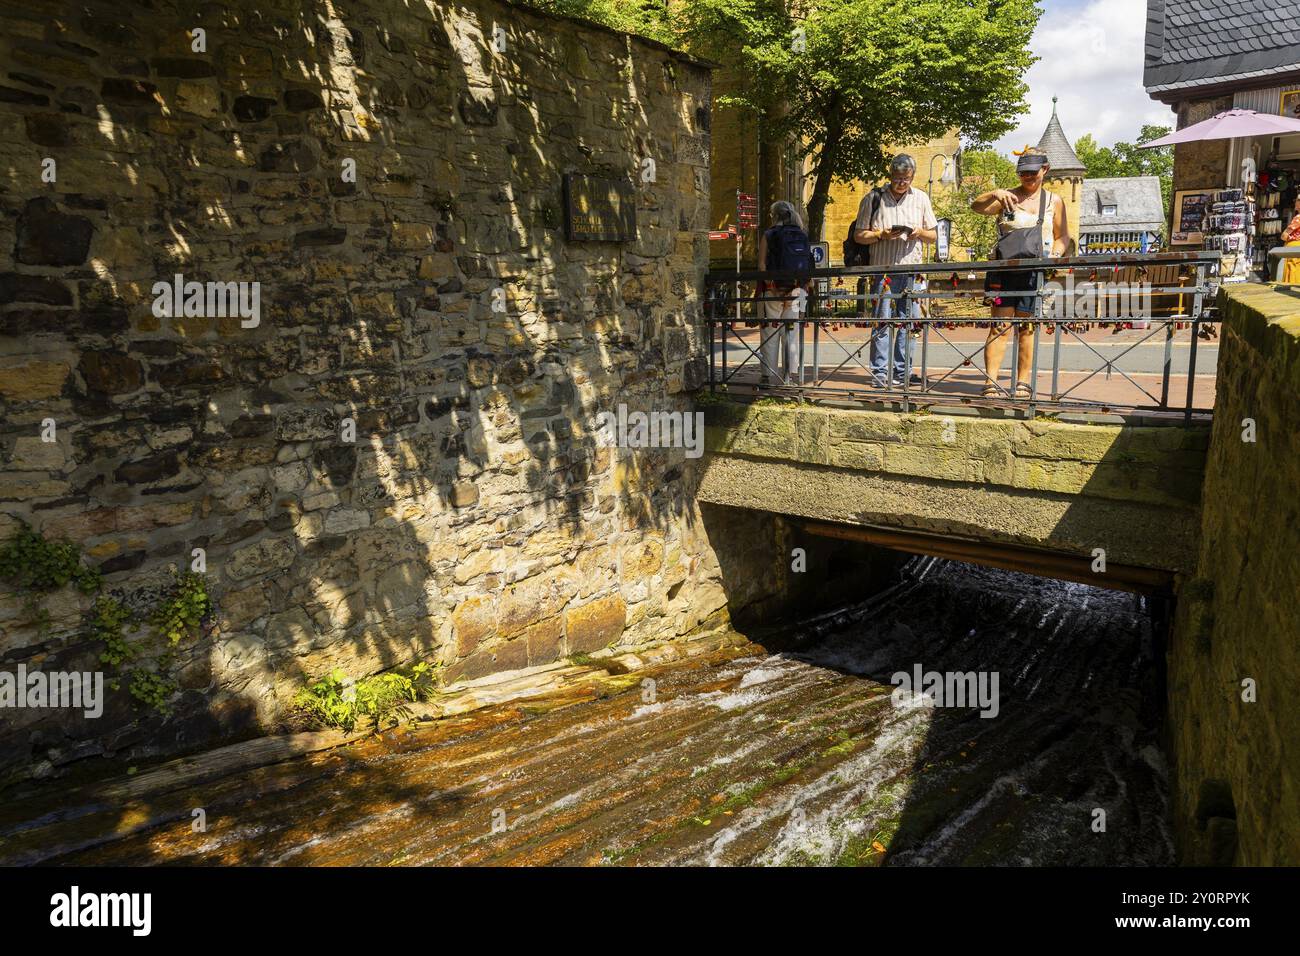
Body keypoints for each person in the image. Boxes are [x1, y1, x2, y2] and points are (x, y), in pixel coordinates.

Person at [969, 147, 1070, 398]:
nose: (1027, 177)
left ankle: (1022, 382)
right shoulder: (1007, 198)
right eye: (1023, 173)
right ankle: (990, 382)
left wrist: (1055, 256)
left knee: (1026, 327)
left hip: (1034, 272)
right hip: (1004, 271)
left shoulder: (1053, 201)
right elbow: (976, 207)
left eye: (1032, 173)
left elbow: (1063, 235)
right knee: (999, 326)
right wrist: (994, 192)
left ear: (1044, 170)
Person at [853, 154, 938, 387]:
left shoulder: (921, 198)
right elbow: (859, 236)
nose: (901, 183)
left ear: (913, 177)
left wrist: (919, 232)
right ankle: (879, 372)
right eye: (897, 178)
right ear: (890, 175)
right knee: (882, 321)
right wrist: (881, 234)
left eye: (906, 179)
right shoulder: (873, 198)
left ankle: (903, 372)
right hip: (883, 271)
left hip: (912, 271)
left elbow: (934, 235)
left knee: (908, 322)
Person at [756, 200, 812, 385]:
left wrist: (770, 284)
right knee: (791, 333)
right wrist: (802, 287)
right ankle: (790, 375)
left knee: (770, 332)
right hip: (797, 290)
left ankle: (767, 375)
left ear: (774, 215)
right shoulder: (802, 234)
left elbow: (762, 264)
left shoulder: (769, 234)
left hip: (774, 290)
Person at [1280, 194, 1300, 284]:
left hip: (1293, 247)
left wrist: (1284, 236)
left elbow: (1284, 235)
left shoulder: (1298, 218)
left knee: (1291, 270)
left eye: (1296, 200)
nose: (1295, 202)